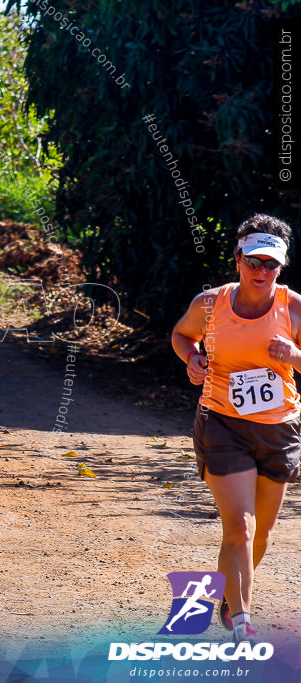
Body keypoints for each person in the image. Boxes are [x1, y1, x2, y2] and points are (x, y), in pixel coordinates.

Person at [171, 214, 301, 644]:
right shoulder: (210, 303)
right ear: (238, 260)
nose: (262, 272)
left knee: (260, 531)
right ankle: (242, 619)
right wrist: (192, 359)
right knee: (239, 527)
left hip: (279, 430)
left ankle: (228, 597)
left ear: (281, 267)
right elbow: (181, 335)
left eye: (271, 264)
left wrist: (294, 356)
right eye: (254, 262)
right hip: (222, 422)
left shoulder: (294, 308)